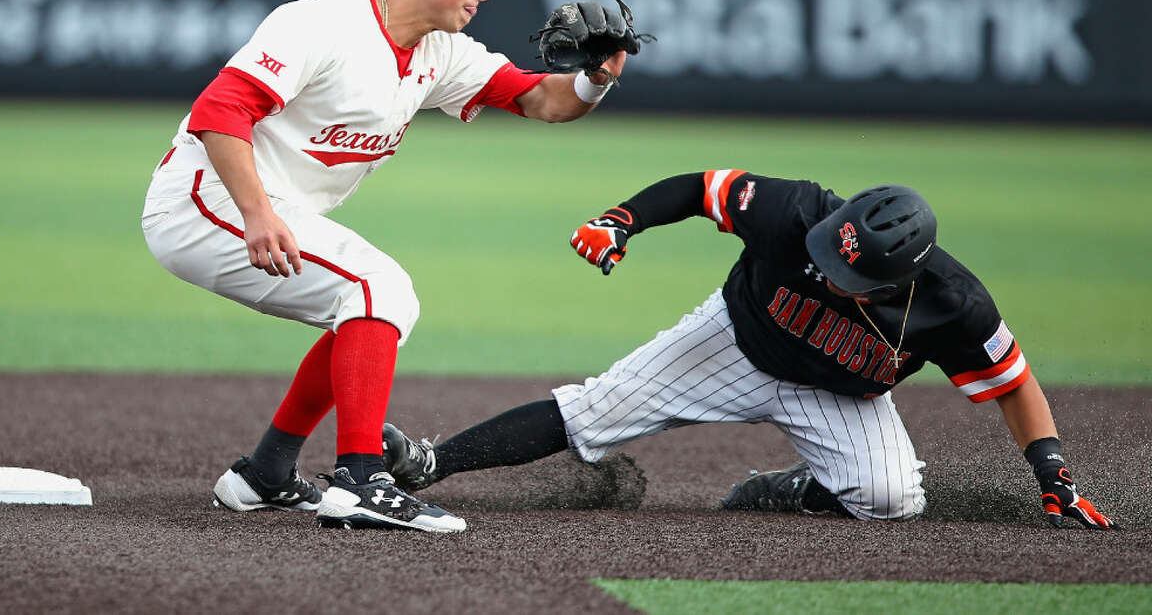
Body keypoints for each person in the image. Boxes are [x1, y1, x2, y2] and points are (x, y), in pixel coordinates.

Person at [141, 0, 634, 534]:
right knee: (378, 287)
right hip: (204, 198)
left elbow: (541, 98)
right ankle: (360, 481)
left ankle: (264, 474)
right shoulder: (321, 25)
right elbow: (219, 111)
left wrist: (597, 76)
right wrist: (258, 213)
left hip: (263, 205)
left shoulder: (443, 52)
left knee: (366, 308)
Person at [381, 171, 1117, 529]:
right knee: (593, 410)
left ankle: (795, 486)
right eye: (836, 252)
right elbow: (700, 187)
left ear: (906, 276)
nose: (831, 269)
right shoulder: (796, 211)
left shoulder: (956, 305)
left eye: (852, 273)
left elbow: (1014, 384)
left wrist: (1051, 469)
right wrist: (620, 221)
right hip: (733, 340)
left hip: (839, 394)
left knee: (892, 500)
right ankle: (430, 463)